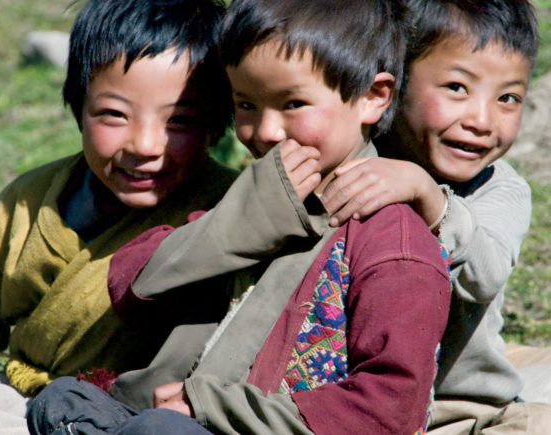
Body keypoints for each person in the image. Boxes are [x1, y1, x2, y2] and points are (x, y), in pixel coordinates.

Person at [28, 0, 452, 433]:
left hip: (250, 425)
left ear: (372, 98)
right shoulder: (249, 197)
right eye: (246, 105)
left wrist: (207, 406)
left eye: (293, 103)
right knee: (62, 400)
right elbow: (132, 291)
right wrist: (242, 221)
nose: (265, 131)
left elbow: (391, 409)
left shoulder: (391, 242)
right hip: (168, 415)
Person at [0, 0, 236, 432]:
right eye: (114, 114)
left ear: (217, 123)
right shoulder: (28, 201)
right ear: (78, 107)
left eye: (180, 121)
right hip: (15, 392)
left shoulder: (227, 209)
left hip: (127, 414)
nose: (146, 145)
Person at [314, 0, 551, 432]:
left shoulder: (500, 187)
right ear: (392, 86)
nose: (482, 120)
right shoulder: (356, 162)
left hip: (464, 411)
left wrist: (429, 198)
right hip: (354, 403)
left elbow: (485, 273)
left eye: (508, 98)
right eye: (457, 88)